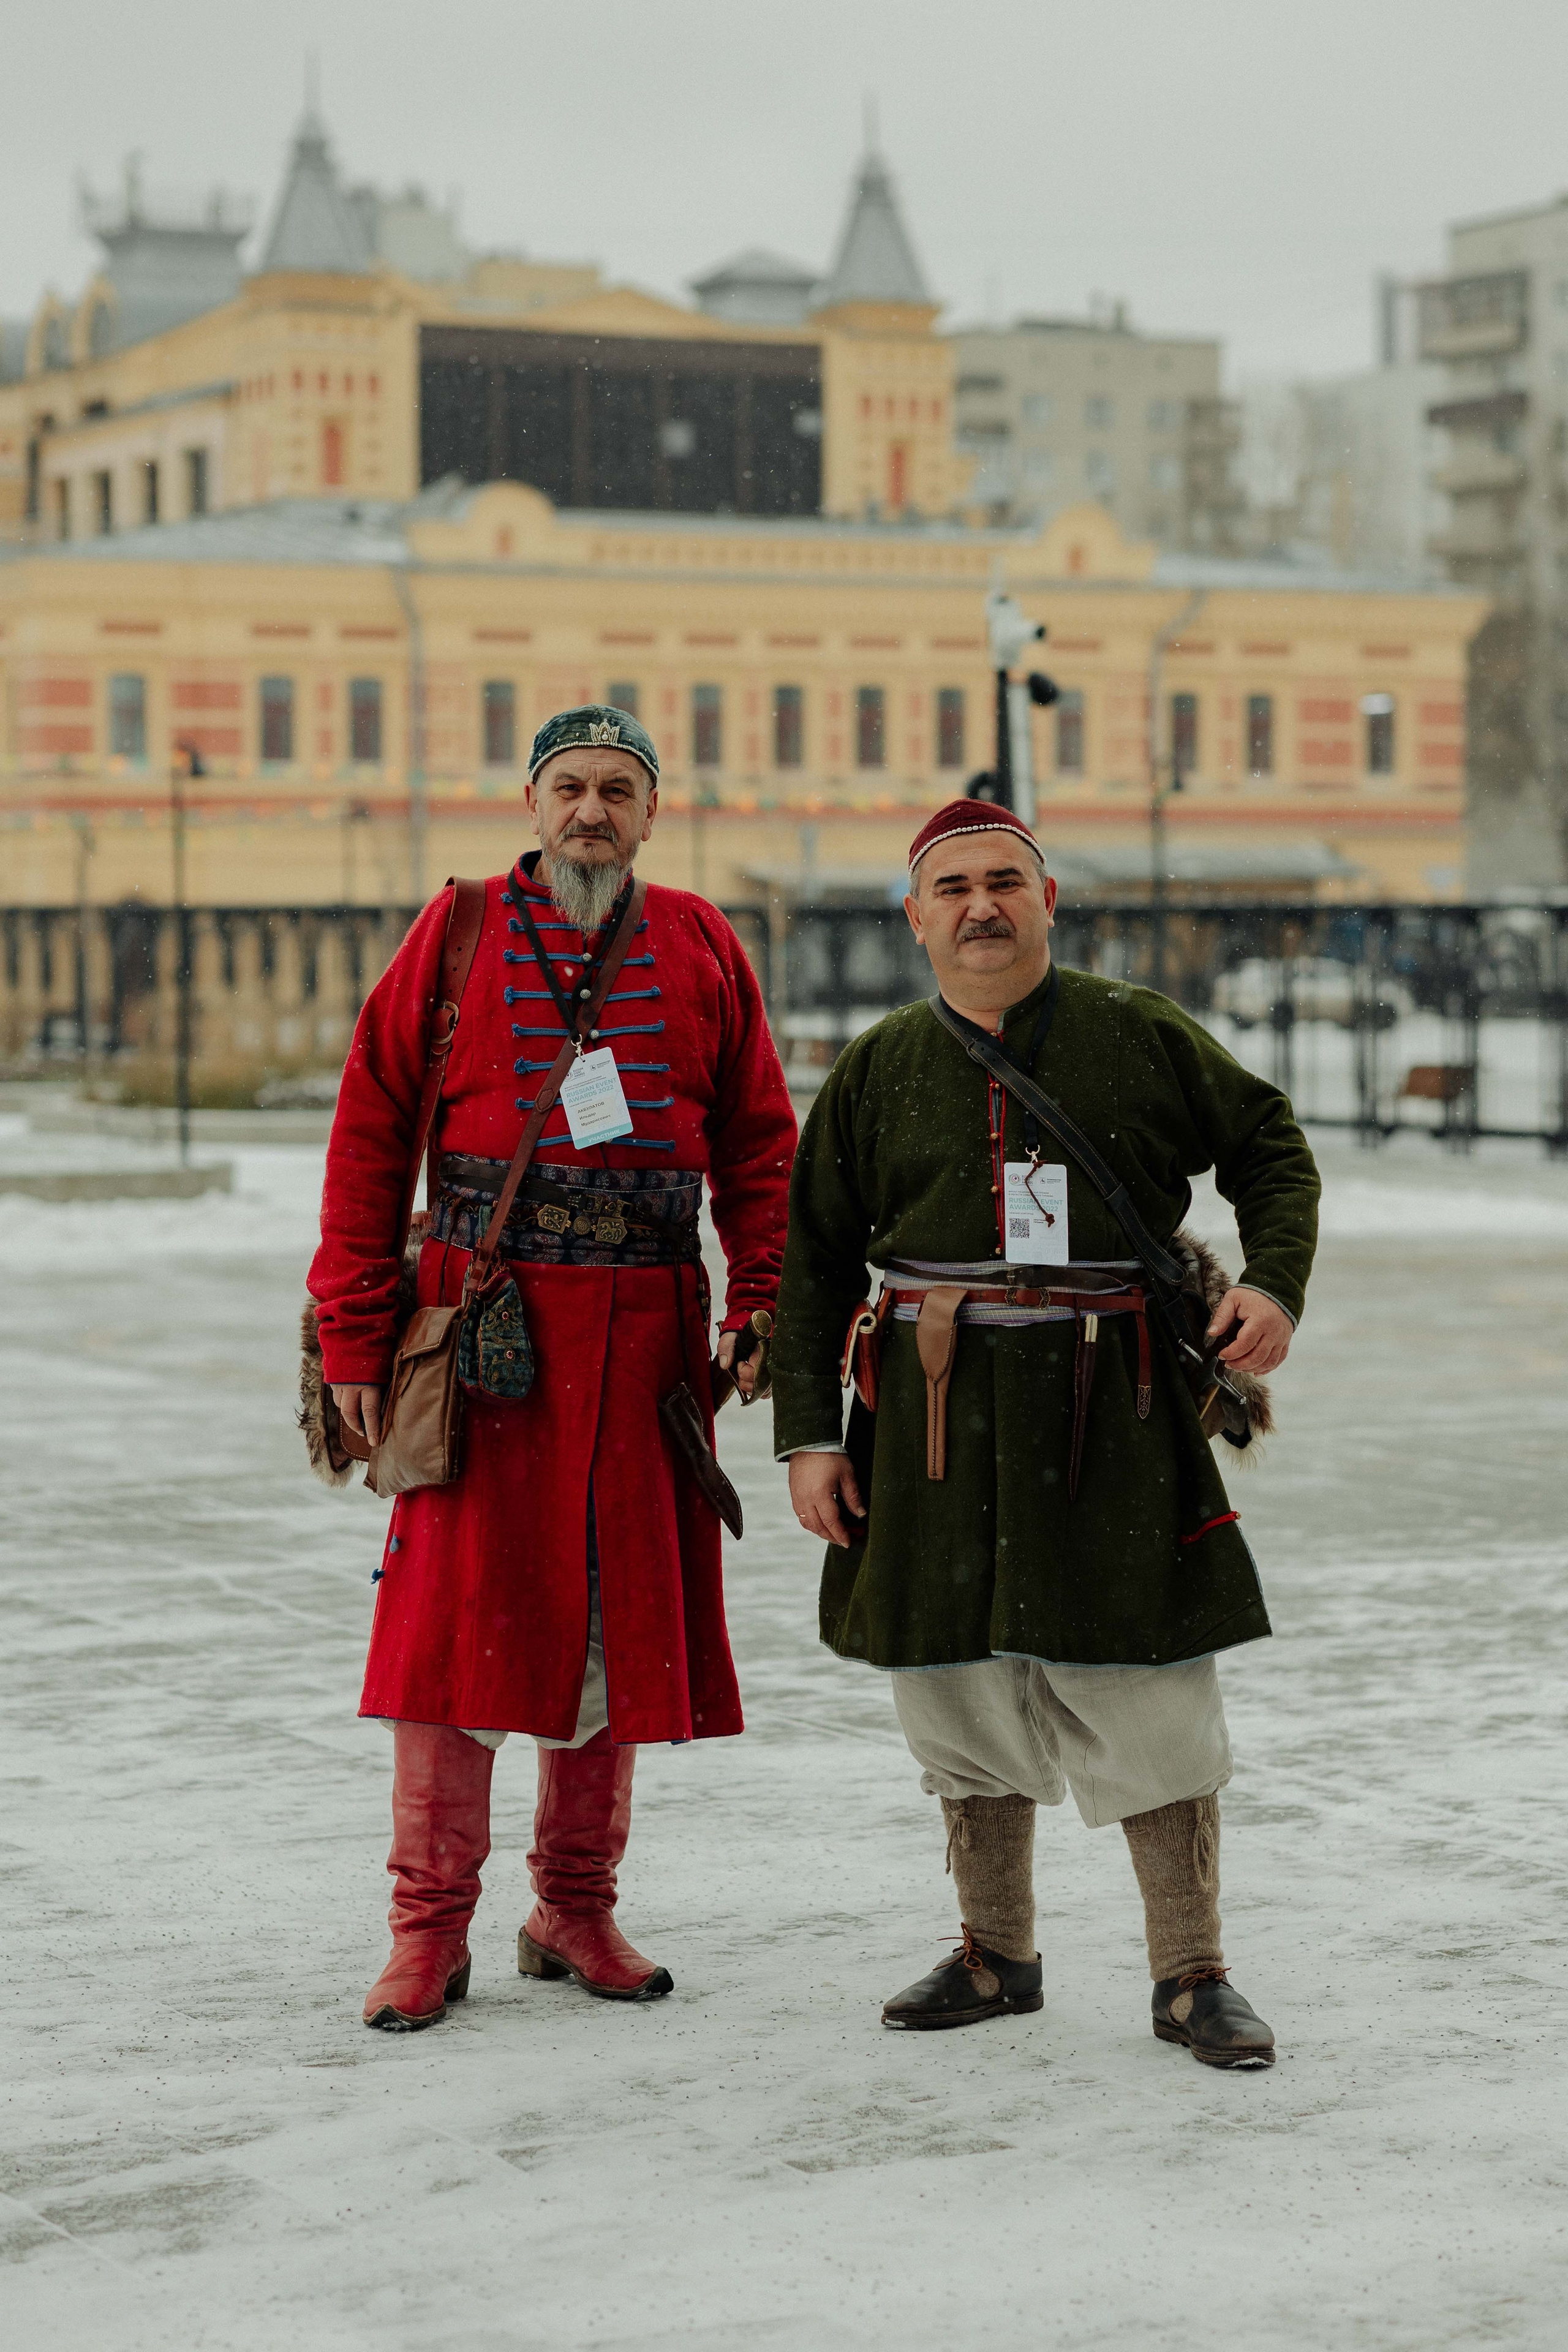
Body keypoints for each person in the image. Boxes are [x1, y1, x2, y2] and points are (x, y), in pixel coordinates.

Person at [770, 798, 1319, 2067]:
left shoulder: (1136, 1035)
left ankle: (1191, 1974)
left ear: (1046, 899)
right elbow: (810, 1260)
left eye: (1002, 881)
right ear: (914, 918)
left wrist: (1272, 1283)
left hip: (1111, 1408)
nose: (979, 906)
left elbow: (1269, 1151)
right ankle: (993, 1952)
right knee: (954, 1681)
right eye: (950, 887)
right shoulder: (876, 1067)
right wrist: (810, 1435)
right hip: (926, 1417)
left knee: (1147, 1683)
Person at [309, 704, 795, 2030]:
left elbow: (759, 1143)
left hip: (648, 1338)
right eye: (569, 787)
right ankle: (426, 1929)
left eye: (618, 790)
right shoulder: (456, 928)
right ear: (533, 806)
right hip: (482, 1331)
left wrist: (763, 1297)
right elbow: (369, 1130)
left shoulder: (699, 940)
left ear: (652, 813)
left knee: (611, 1632)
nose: (592, 810)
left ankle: (572, 1906)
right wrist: (353, 1330)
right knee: (451, 1638)